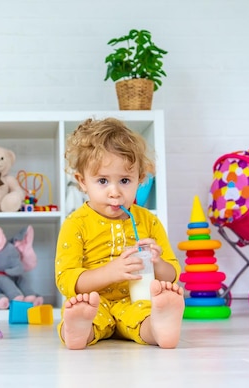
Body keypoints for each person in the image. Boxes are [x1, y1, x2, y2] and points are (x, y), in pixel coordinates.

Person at [56, 117, 184, 350]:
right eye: (102, 181)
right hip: (95, 301)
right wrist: (110, 272)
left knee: (145, 313)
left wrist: (157, 263)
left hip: (136, 300)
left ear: (140, 180)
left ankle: (159, 328)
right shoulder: (75, 223)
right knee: (83, 311)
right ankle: (79, 330)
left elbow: (172, 274)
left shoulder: (148, 221)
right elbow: (66, 281)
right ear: (82, 182)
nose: (115, 192)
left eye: (125, 180)